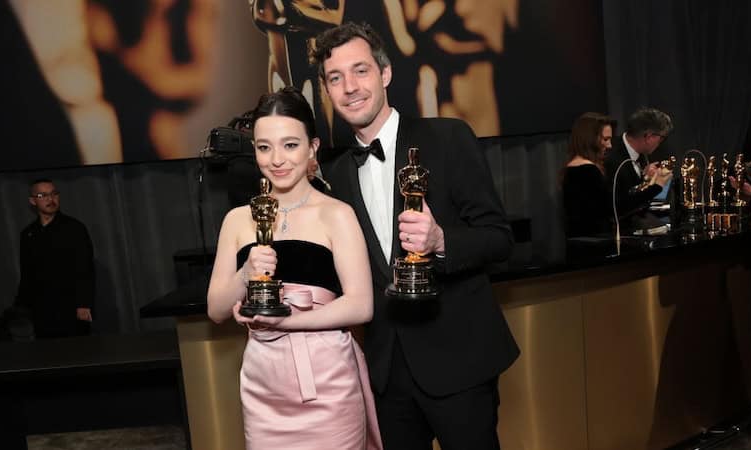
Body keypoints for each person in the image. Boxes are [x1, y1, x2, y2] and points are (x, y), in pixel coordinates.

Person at [313, 22, 519, 449]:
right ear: (327, 92)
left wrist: (442, 241)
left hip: (459, 362)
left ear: (385, 74)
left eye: (360, 71)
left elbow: (498, 238)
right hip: (387, 373)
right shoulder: (335, 175)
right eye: (336, 78)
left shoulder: (447, 138)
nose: (350, 87)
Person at [206, 87, 382, 449]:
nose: (277, 160)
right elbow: (216, 310)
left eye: (290, 145)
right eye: (264, 147)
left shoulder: (337, 214)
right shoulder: (238, 220)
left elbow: (361, 306)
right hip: (263, 386)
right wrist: (245, 275)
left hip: (328, 382)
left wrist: (286, 321)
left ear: (312, 147)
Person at [15, 179, 94, 339]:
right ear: (32, 201)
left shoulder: (74, 228)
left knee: (79, 353)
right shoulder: (28, 233)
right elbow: (27, 272)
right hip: (41, 309)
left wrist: (83, 304)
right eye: (42, 195)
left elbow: (85, 268)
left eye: (53, 194)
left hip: (71, 306)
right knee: (48, 355)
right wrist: (21, 307)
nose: (50, 199)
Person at [603, 107, 674, 224]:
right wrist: (657, 185)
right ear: (649, 137)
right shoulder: (611, 157)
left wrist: (644, 179)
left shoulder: (641, 152)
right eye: (661, 138)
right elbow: (618, 205)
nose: (660, 143)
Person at [562, 112, 617, 237]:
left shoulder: (574, 168)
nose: (610, 145)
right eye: (605, 139)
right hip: (594, 247)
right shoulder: (587, 170)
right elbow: (612, 207)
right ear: (590, 139)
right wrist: (655, 186)